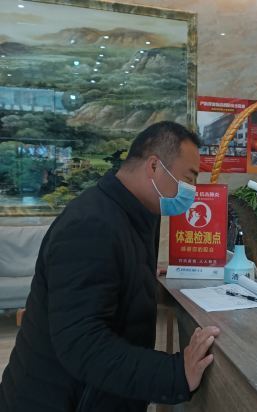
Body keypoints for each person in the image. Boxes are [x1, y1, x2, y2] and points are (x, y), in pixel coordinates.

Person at [0, 121, 220, 411]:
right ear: (154, 167)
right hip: (58, 400)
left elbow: (108, 280)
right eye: (188, 178)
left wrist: (141, 275)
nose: (192, 190)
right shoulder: (91, 225)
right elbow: (83, 345)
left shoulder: (134, 213)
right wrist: (175, 373)